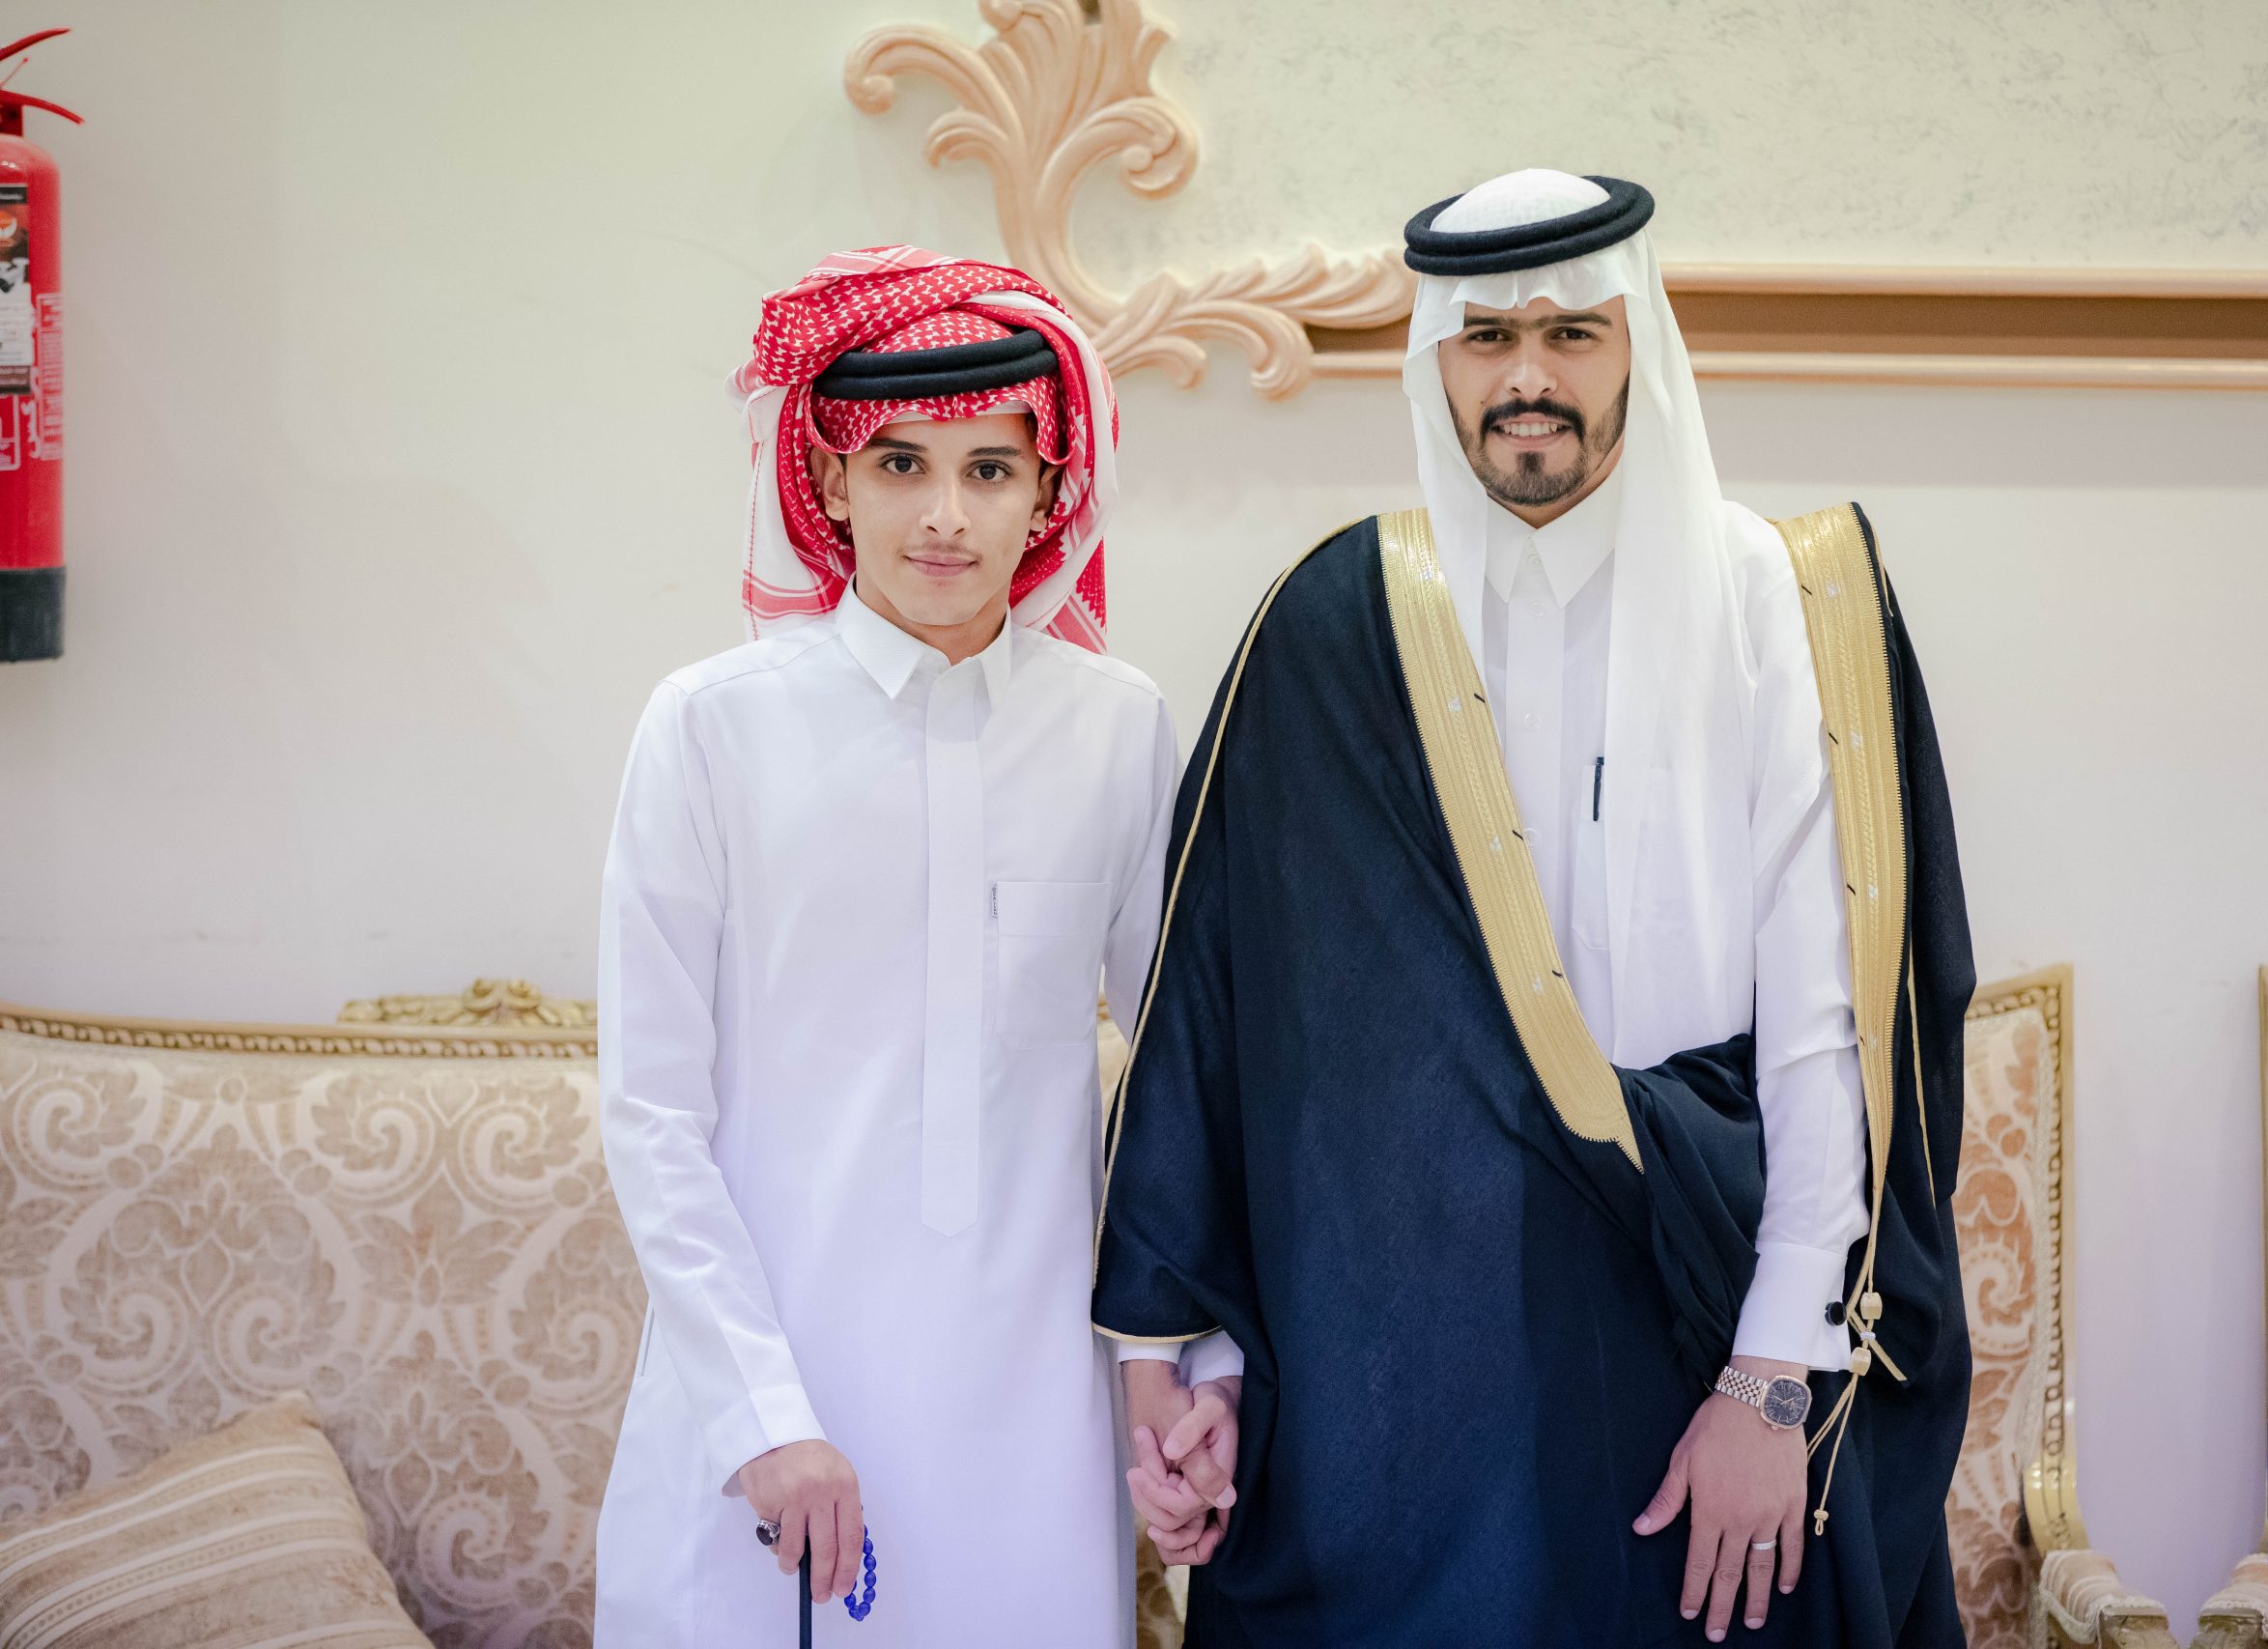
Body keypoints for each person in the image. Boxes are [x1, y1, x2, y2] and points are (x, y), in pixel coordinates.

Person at [1093, 170, 1973, 1646]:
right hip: (1416, 1360)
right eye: (1488, 337)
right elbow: (1243, 1045)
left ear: (1642, 345)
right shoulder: (1341, 622)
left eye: (1572, 333)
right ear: (1434, 358)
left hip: (1708, 1307)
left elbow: (1830, 1035)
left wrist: (1773, 1381)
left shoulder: (1777, 599)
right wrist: (1216, 1369)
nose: (1528, 378)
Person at [596, 247, 1174, 1646]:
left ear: (1049, 489)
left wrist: (1182, 1362)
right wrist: (761, 1416)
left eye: (991, 469)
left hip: (1032, 1417)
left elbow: (1181, 1081)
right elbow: (653, 1114)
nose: (946, 515)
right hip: (772, 1406)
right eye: (902, 464)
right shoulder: (711, 726)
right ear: (830, 478)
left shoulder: (1118, 726)